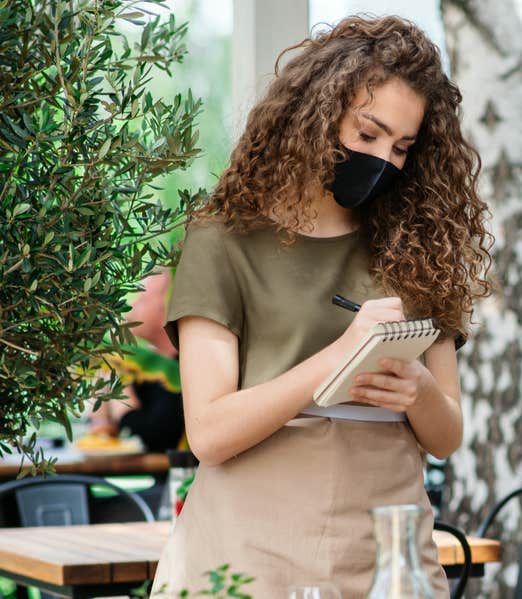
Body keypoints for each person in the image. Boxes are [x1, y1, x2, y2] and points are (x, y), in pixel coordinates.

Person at [152, 16, 491, 597]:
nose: (384, 159)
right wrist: (341, 357)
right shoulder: (223, 237)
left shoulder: (420, 245)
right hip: (248, 546)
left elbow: (446, 435)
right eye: (368, 134)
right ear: (315, 114)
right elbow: (208, 432)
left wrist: (421, 394)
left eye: (403, 147)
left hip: (387, 551)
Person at [91, 269, 186, 452]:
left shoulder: (183, 367)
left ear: (164, 308)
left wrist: (122, 407)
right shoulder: (148, 368)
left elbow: (160, 435)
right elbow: (109, 428)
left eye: (141, 300)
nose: (132, 307)